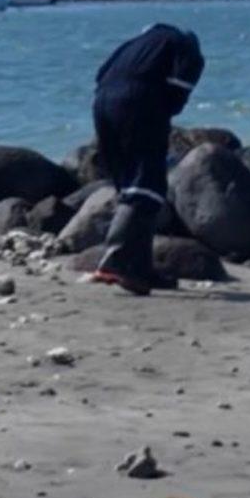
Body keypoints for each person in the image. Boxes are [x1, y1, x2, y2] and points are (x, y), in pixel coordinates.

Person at [87, 22, 204, 295]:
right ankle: (117, 260)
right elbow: (180, 85)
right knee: (147, 185)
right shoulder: (184, 43)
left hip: (102, 102)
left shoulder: (131, 46)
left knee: (128, 185)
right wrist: (165, 113)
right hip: (137, 101)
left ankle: (139, 268)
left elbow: (100, 75)